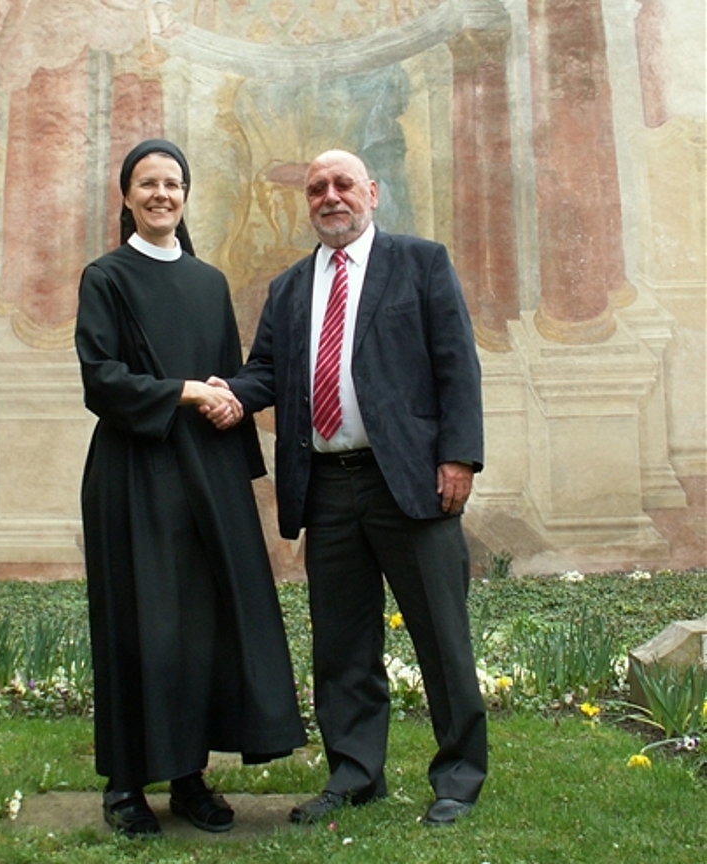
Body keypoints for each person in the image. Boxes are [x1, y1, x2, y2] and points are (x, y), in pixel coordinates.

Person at [207, 149, 487, 827]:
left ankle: (458, 776)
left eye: (342, 185)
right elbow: (266, 371)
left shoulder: (421, 264)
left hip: (411, 485)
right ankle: (357, 774)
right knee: (342, 645)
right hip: (328, 489)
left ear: (372, 192)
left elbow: (457, 365)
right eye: (316, 189)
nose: (330, 197)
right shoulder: (290, 289)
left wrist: (460, 459)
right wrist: (230, 396)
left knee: (442, 638)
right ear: (307, 204)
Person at [75, 139, 306, 839]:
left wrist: (233, 410)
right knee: (138, 623)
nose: (161, 195)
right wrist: (183, 392)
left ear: (185, 195)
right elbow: (101, 381)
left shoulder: (208, 282)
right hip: (133, 472)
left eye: (172, 184)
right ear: (126, 197)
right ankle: (124, 784)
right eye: (147, 184)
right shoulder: (105, 278)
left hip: (206, 476)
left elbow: (227, 377)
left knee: (201, 628)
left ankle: (188, 778)